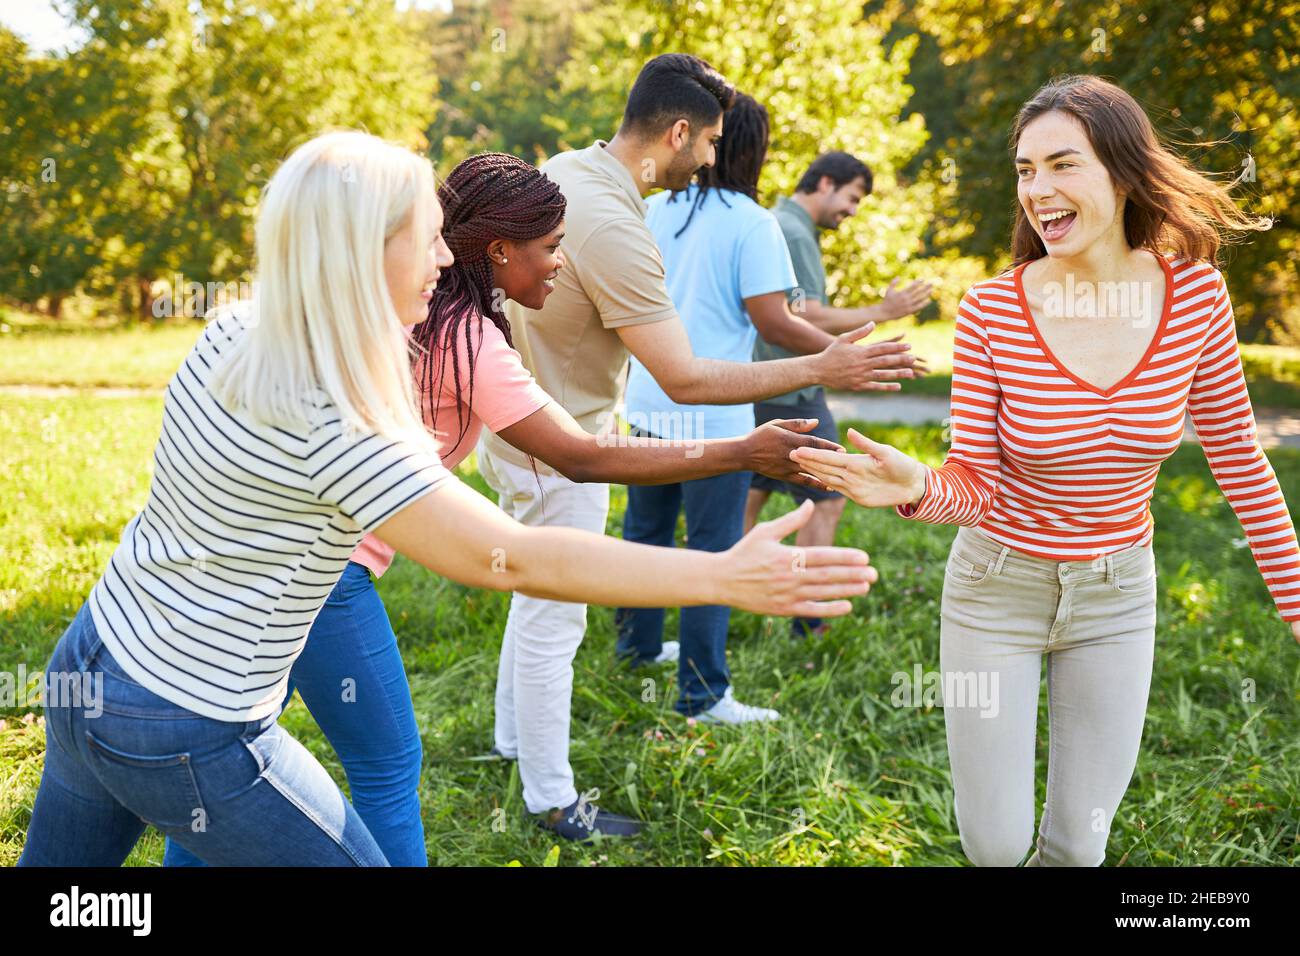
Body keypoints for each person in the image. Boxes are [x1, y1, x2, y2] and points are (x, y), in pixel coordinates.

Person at [16, 130, 878, 866]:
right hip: (188, 725)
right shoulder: (345, 417)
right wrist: (720, 576)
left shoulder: (236, 328)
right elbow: (508, 555)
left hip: (94, 659)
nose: (442, 255)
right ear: (363, 250)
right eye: (428, 238)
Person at [789, 75, 1300, 867]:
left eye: (1063, 165)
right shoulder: (993, 309)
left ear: (1123, 173)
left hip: (1118, 594)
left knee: (1078, 848)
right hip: (997, 589)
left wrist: (1296, 601)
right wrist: (920, 487)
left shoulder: (1194, 294)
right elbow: (976, 483)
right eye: (1026, 170)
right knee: (994, 847)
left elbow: (1238, 458)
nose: (1038, 190)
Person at [477, 53, 921, 839]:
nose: (716, 158)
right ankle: (550, 800)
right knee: (556, 623)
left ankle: (511, 742)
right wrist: (824, 362)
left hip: (519, 426)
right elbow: (682, 377)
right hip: (563, 444)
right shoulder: (616, 222)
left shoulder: (569, 170)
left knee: (534, 596)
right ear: (678, 133)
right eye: (710, 141)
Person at [615, 94, 925, 723]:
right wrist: (844, 358)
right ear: (749, 147)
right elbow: (775, 321)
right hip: (716, 413)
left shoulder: (652, 208)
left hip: (648, 402)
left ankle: (638, 649)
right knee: (714, 550)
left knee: (646, 532)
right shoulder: (750, 220)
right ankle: (703, 696)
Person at [745, 150, 934, 639]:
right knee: (828, 496)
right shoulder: (792, 231)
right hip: (791, 386)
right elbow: (803, 313)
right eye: (851, 198)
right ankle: (807, 619)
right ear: (826, 182)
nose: (851, 212)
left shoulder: (780, 223)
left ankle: (728, 598)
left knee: (751, 491)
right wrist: (884, 310)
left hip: (765, 378)